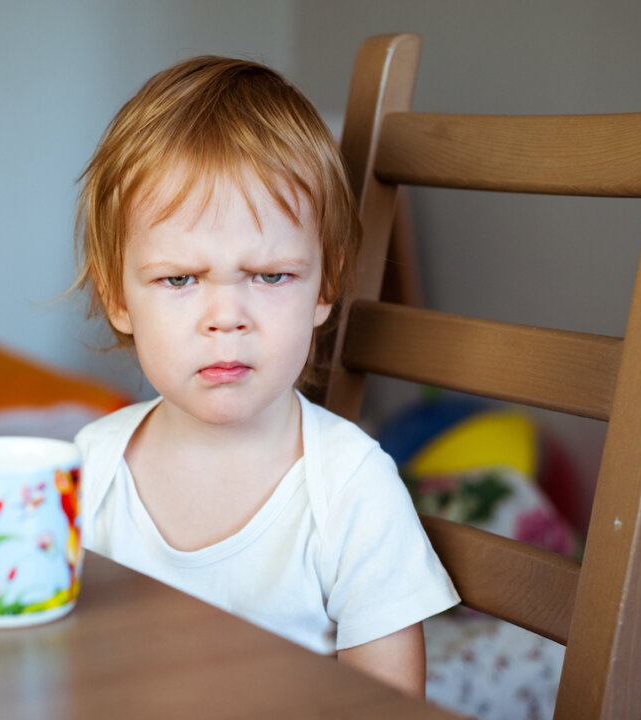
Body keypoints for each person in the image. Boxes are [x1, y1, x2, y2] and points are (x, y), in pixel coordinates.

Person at [71, 55, 458, 696]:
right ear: (118, 297)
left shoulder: (351, 488)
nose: (227, 318)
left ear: (325, 284)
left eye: (270, 275)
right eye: (179, 279)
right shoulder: (91, 469)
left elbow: (387, 707)